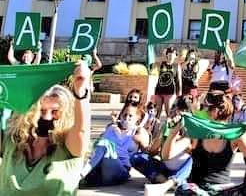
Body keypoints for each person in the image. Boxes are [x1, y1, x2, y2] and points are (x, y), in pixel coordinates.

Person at [0, 61, 91, 195]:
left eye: (55, 111)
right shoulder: (12, 141)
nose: (47, 117)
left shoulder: (68, 147)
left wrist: (80, 92)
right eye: (41, 111)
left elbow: (81, 131)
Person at [173, 89, 246, 195]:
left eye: (205, 108)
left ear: (214, 111)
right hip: (198, 189)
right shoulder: (198, 132)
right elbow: (166, 155)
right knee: (184, 190)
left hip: (222, 190)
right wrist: (172, 133)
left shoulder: (234, 136)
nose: (204, 111)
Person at [81, 104, 150, 187]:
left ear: (137, 118)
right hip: (102, 170)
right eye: (124, 115)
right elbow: (97, 148)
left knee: (105, 144)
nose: (127, 118)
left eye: (130, 116)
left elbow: (147, 154)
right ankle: (86, 175)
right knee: (100, 144)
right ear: (120, 116)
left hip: (120, 171)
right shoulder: (111, 128)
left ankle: (80, 176)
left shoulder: (138, 132)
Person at [153, 46, 180, 118]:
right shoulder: (161, 64)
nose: (171, 55)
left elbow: (178, 80)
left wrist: (179, 93)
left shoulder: (176, 66)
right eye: (169, 53)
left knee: (168, 111)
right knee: (158, 111)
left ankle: (170, 127)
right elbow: (154, 61)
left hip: (170, 91)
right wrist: (163, 55)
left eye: (173, 54)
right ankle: (155, 127)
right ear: (167, 54)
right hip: (159, 89)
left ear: (176, 55)